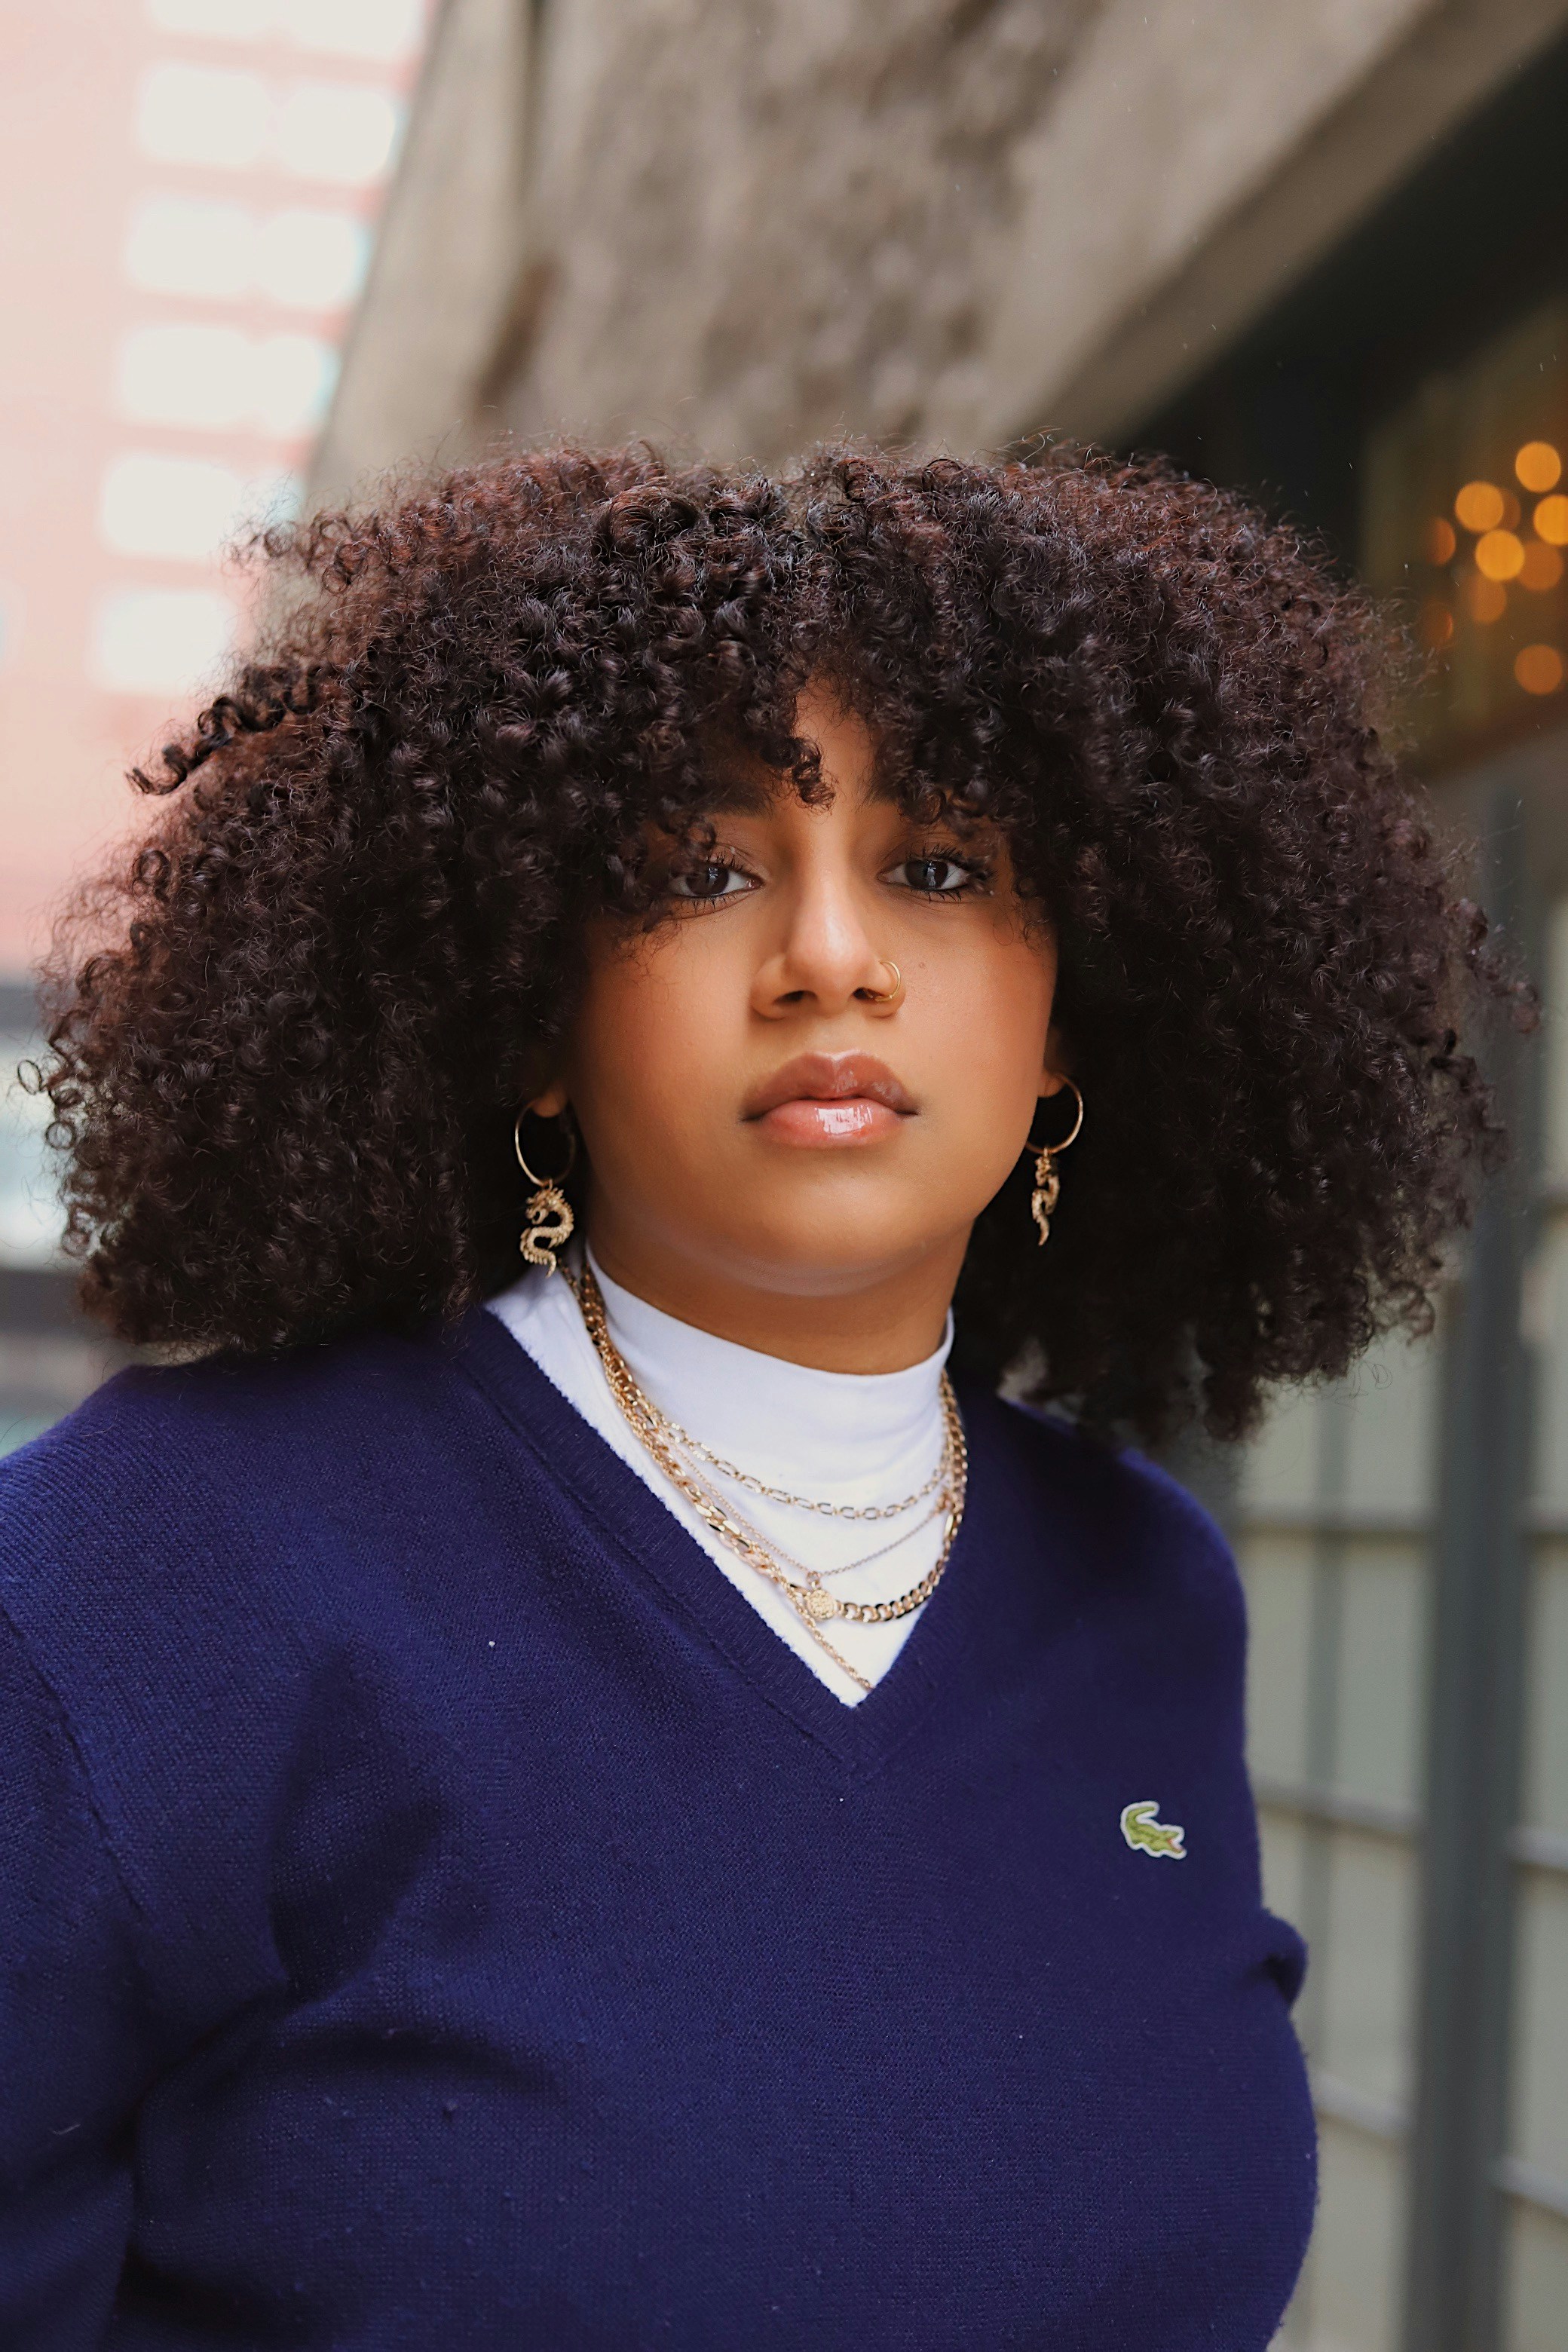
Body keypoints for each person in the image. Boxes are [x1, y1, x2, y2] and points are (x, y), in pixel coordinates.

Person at [0, 448, 1520, 2349]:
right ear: (533, 1019)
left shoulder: (1140, 1585)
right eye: (701, 870)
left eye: (941, 865)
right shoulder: (154, 1573)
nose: (826, 957)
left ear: (1068, 1017)